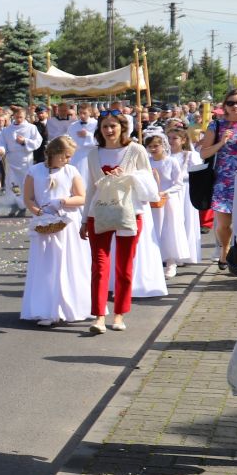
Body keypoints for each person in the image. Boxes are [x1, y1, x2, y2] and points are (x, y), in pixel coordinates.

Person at [82, 111, 158, 333]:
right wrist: (85, 218)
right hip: (100, 212)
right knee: (99, 265)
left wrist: (128, 176)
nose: (109, 130)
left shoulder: (136, 150)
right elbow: (90, 188)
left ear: (123, 127)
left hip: (129, 213)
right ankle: (98, 315)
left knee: (124, 266)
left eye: (113, 126)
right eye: (105, 126)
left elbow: (148, 183)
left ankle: (119, 314)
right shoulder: (93, 154)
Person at [21, 137, 90, 327]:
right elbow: (28, 197)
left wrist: (62, 202)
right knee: (47, 266)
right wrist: (39, 213)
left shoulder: (71, 171)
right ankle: (46, 308)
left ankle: (75, 306)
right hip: (45, 223)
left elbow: (83, 197)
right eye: (66, 156)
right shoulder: (35, 171)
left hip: (67, 223)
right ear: (55, 153)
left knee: (69, 264)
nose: (68, 160)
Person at [199, 88, 237, 270]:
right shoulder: (217, 126)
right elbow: (203, 153)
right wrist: (221, 142)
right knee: (223, 224)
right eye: (231, 103)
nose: (235, 106)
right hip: (224, 182)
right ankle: (225, 249)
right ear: (225, 106)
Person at [145, 131, 191, 279]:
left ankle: (171, 262)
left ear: (163, 146)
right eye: (150, 146)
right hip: (152, 201)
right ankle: (155, 262)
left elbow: (178, 184)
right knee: (154, 230)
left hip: (169, 200)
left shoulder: (171, 161)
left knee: (169, 230)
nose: (153, 149)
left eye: (156, 146)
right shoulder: (147, 162)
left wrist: (165, 192)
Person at [0, 106, 43, 217]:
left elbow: (38, 142)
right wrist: (1, 149)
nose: (18, 119)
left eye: (21, 117)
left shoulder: (31, 128)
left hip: (25, 160)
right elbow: (2, 142)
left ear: (25, 116)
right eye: (17, 117)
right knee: (13, 185)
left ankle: (23, 207)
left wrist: (25, 142)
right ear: (13, 116)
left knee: (24, 185)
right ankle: (14, 205)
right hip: (12, 161)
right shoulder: (7, 130)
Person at [167, 126, 204, 265]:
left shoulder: (190, 155)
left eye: (174, 138)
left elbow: (197, 174)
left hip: (186, 190)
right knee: (172, 222)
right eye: (169, 138)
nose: (171, 141)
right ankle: (172, 254)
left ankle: (186, 254)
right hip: (170, 191)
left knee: (186, 220)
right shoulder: (165, 156)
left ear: (183, 140)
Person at [68, 103, 99, 175]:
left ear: (90, 113)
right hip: (76, 156)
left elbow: (99, 140)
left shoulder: (96, 124)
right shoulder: (73, 125)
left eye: (84, 113)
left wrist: (88, 135)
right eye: (80, 113)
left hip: (90, 155)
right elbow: (68, 138)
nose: (82, 115)